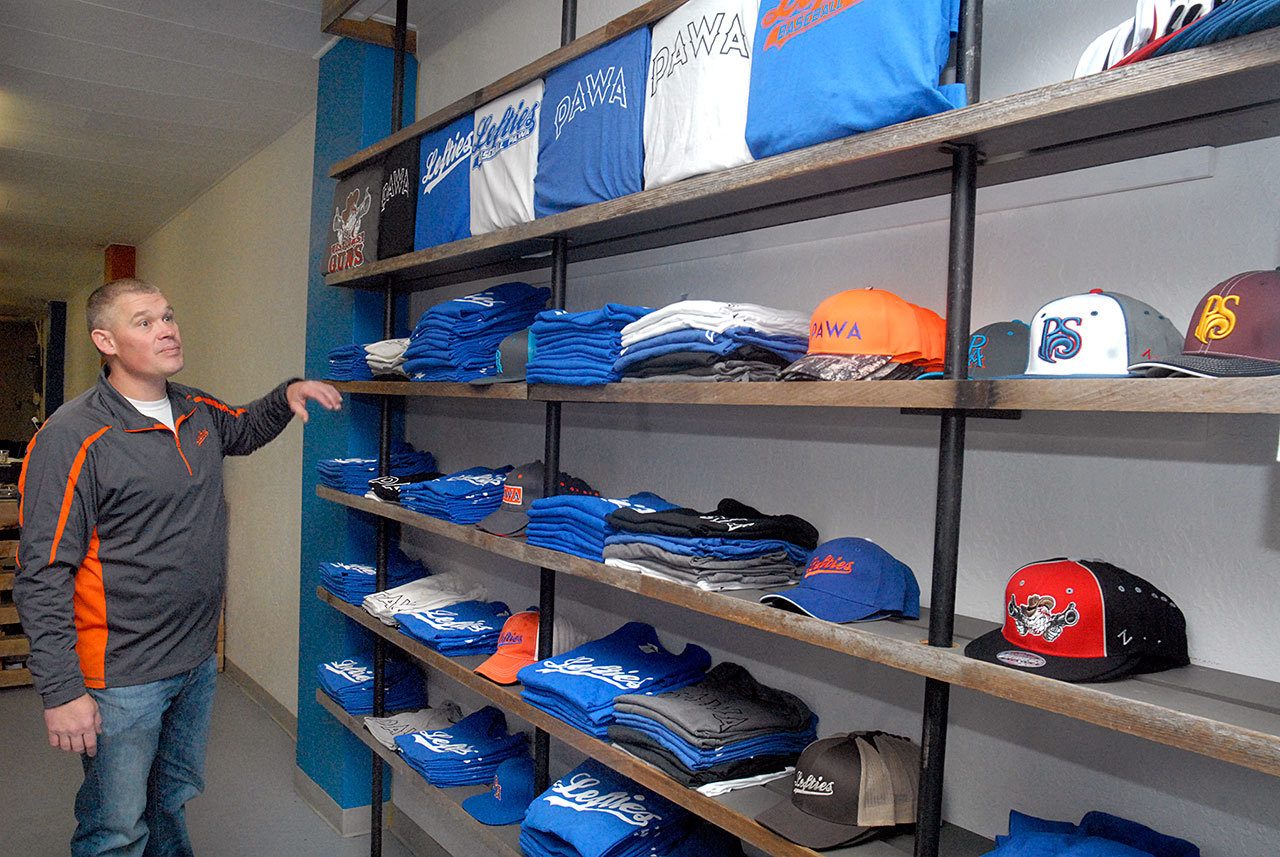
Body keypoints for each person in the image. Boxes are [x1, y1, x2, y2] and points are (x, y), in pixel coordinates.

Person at [14, 278, 342, 857]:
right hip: (121, 674)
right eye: (144, 321)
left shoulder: (195, 408)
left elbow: (240, 427)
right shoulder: (73, 436)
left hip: (192, 662)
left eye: (168, 316)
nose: (167, 328)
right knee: (114, 828)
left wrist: (287, 393)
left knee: (169, 800)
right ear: (105, 340)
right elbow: (41, 573)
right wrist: (63, 690)